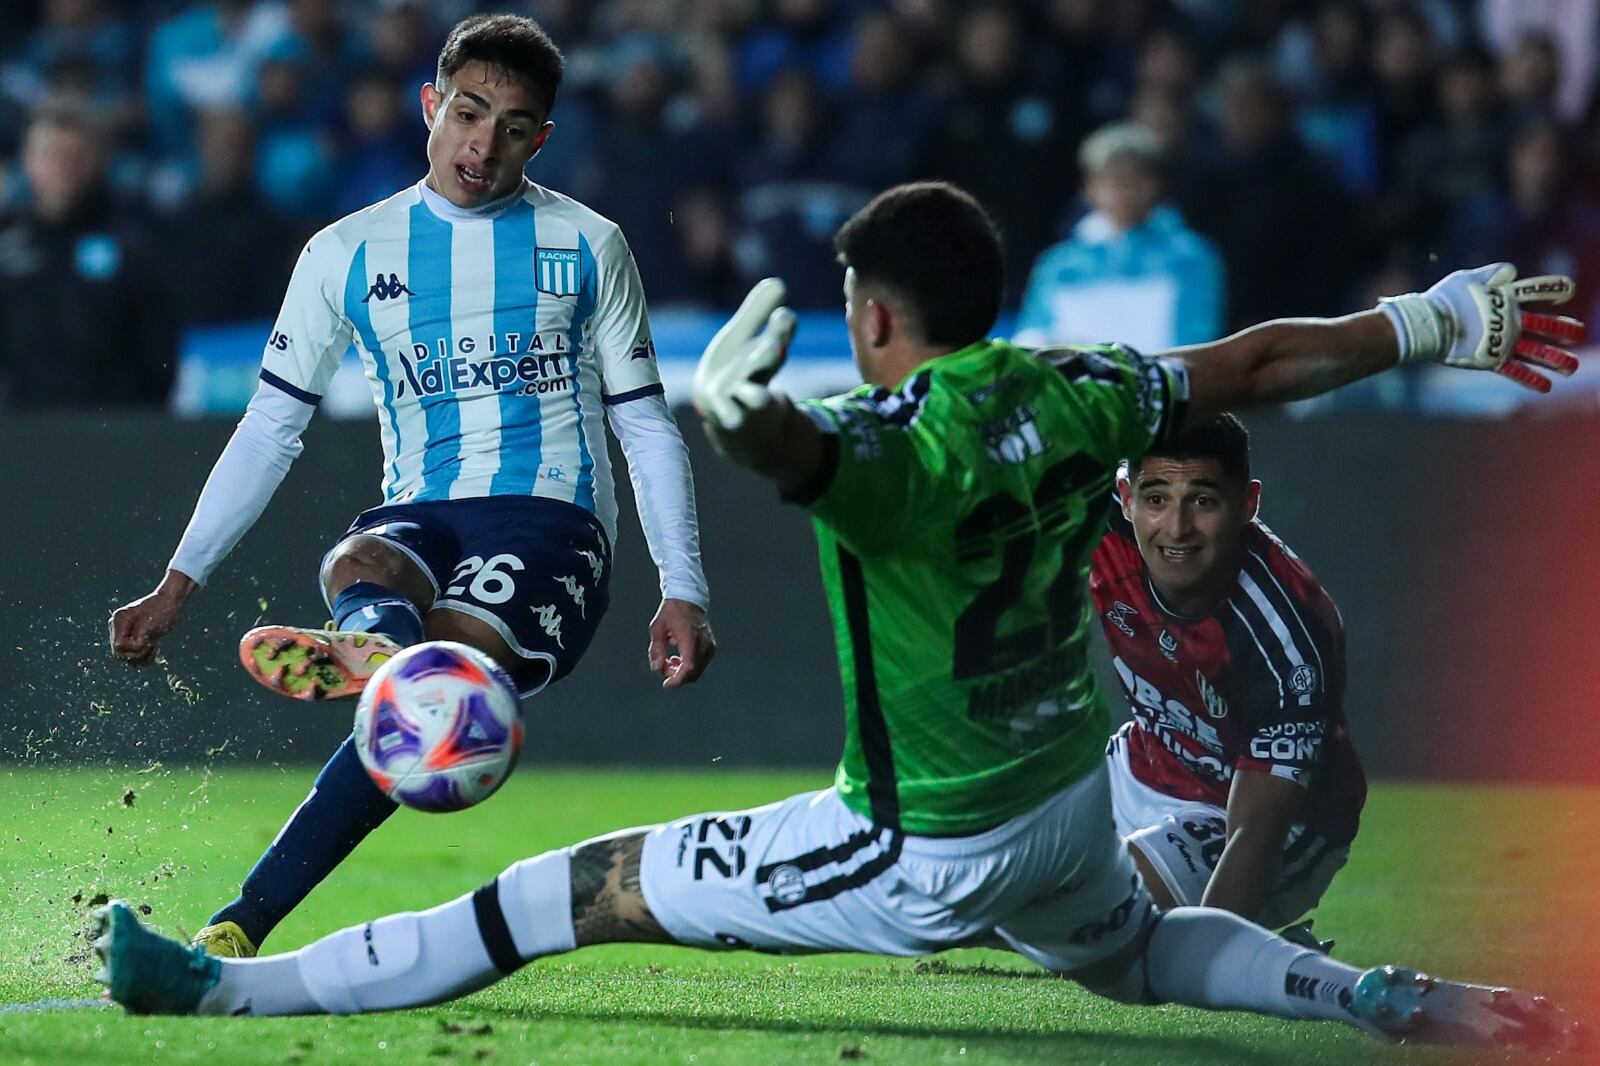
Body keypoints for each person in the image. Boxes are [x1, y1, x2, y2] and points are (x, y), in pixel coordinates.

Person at [95, 182, 1583, 1051]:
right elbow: (1251, 366)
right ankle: (1399, 997)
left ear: (871, 314)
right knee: (1137, 947)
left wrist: (743, 414)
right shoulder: (1081, 389)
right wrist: (1433, 322)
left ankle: (225, 983)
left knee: (558, 892)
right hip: (1070, 797)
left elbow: (812, 456)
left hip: (917, 836)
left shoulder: (883, 447)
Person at [106, 14, 716, 959]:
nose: (485, 142)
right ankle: (388, 667)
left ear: (540, 140)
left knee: (441, 677)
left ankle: (261, 889)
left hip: (552, 521)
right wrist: (178, 581)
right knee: (366, 564)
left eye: (515, 126)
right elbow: (272, 425)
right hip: (421, 511)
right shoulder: (346, 252)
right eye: (469, 112)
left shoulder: (589, 244)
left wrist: (684, 586)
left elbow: (641, 420)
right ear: (431, 105)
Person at [1091, 415, 1363, 946]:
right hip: (1145, 764)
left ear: (1247, 504)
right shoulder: (1091, 520)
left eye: (1203, 501)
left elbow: (1255, 831)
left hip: (1275, 824)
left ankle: (1265, 956)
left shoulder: (1286, 634)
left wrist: (1210, 958)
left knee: (1096, 916)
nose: (1176, 528)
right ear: (1126, 498)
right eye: (1156, 499)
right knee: (991, 868)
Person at [0, 110, 175, 410]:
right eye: (52, 155)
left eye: (74, 155)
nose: (63, 167)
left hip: (109, 423)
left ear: (93, 161)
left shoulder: (130, 242)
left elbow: (158, 347)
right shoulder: (6, 242)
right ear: (28, 161)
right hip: (19, 425)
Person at [1014, 122, 1224, 353]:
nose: (1122, 191)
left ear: (1156, 184)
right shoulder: (1059, 263)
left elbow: (1197, 339)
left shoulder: (1190, 256)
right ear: (1089, 188)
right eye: (1111, 180)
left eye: (1133, 179)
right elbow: (1032, 337)